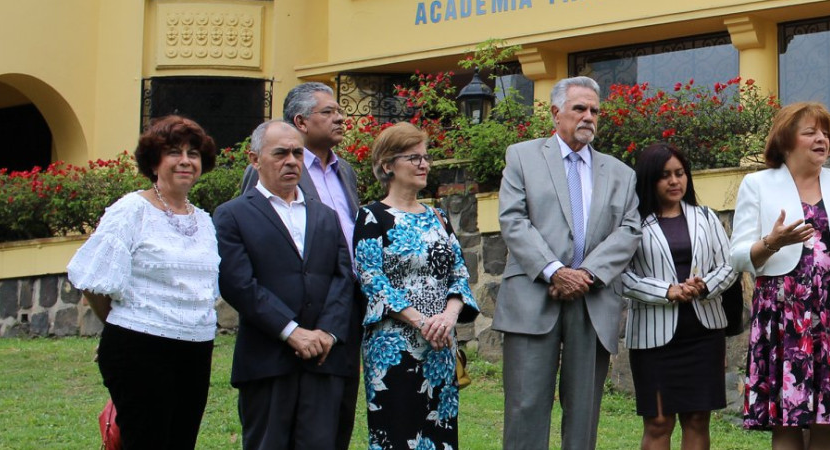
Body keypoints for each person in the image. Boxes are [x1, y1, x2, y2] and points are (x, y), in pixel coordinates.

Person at [492, 76, 643, 450]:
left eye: (594, 110)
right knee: (525, 407)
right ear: (555, 112)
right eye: (580, 108)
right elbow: (513, 220)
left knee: (583, 413)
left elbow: (629, 230)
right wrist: (555, 271)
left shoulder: (621, 173)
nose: (589, 116)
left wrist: (586, 274)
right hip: (533, 295)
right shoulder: (522, 156)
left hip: (591, 299)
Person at [729, 101, 830, 450]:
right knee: (787, 422)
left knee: (828, 421)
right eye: (810, 132)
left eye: (826, 132)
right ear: (785, 140)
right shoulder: (757, 184)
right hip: (783, 313)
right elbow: (738, 256)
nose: (821, 138)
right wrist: (772, 242)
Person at [66, 115, 220, 450]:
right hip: (140, 349)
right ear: (153, 162)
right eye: (174, 152)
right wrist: (124, 324)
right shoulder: (131, 210)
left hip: (195, 349)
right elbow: (93, 281)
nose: (185, 161)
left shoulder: (204, 221)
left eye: (193, 153)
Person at [215, 120, 359, 450]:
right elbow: (238, 284)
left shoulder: (325, 215)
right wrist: (291, 331)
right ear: (254, 159)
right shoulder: (232, 215)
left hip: (324, 359)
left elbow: (343, 277)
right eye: (280, 153)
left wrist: (327, 333)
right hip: (268, 360)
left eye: (297, 153)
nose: (292, 161)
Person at [352, 122, 480, 450]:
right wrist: (421, 321)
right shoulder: (371, 217)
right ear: (387, 165)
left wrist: (448, 317)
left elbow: (459, 274)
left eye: (425, 157)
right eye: (413, 157)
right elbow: (372, 281)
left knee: (440, 434)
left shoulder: (438, 217)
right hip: (394, 348)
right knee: (397, 435)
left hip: (441, 345)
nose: (424, 164)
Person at [618, 142, 741, 450]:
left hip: (704, 334)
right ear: (649, 179)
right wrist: (667, 291)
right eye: (665, 175)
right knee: (658, 422)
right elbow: (620, 276)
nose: (674, 181)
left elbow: (730, 265)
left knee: (698, 419)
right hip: (653, 338)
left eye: (680, 173)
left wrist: (704, 285)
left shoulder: (706, 217)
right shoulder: (632, 224)